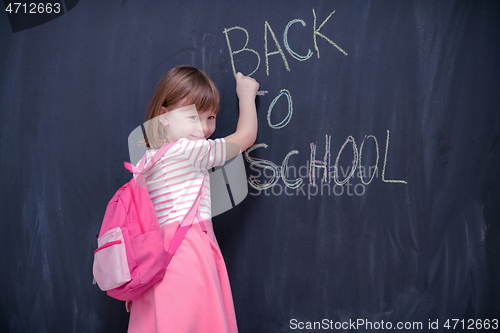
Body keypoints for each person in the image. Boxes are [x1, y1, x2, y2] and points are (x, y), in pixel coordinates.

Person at [126, 65, 259, 333]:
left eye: (210, 117)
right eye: (192, 117)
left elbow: (141, 221)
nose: (203, 128)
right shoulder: (189, 150)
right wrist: (247, 96)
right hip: (186, 256)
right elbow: (246, 137)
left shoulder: (147, 160)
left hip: (152, 261)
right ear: (163, 116)